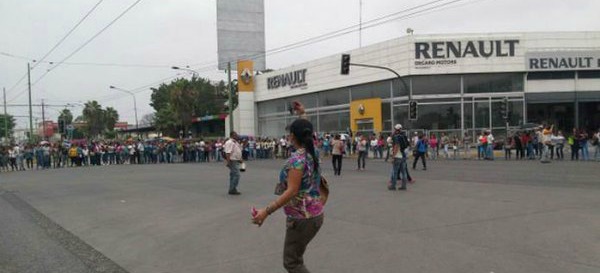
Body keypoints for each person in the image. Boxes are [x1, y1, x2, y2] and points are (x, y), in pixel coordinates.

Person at [252, 118, 324, 273]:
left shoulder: (297, 160)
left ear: (292, 136)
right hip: (315, 214)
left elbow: (291, 191)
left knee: (292, 262)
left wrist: (266, 211)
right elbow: (309, 132)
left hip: (302, 218)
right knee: (296, 258)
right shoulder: (314, 151)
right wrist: (303, 114)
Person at [389, 124, 409, 190]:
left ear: (396, 129)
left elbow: (396, 146)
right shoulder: (404, 136)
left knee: (395, 172)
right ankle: (404, 186)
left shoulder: (396, 136)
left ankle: (393, 186)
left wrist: (393, 156)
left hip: (398, 156)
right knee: (404, 172)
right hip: (403, 156)